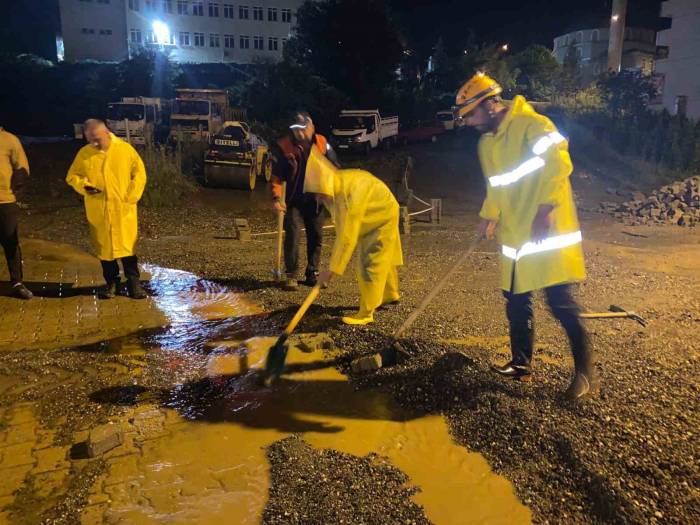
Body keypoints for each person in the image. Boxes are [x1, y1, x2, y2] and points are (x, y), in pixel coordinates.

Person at [455, 73, 595, 401]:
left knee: (560, 303)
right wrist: (488, 216)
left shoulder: (532, 125)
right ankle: (521, 365)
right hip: (516, 233)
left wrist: (545, 209)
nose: (469, 122)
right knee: (516, 298)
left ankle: (586, 375)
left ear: (491, 104)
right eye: (465, 117)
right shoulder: (486, 143)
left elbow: (558, 164)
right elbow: (497, 185)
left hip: (547, 229)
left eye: (471, 114)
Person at [307, 148, 402, 325]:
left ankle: (366, 313)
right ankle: (390, 294)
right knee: (383, 256)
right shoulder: (338, 185)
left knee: (369, 263)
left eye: (318, 192)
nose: (317, 197)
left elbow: (346, 238)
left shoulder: (348, 193)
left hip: (380, 214)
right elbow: (345, 230)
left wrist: (329, 272)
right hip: (379, 210)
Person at [66, 119, 147, 300]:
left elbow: (139, 173)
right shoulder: (85, 154)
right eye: (89, 139)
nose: (93, 143)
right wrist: (84, 186)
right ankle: (111, 283)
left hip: (122, 209)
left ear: (106, 132)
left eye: (96, 139)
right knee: (105, 251)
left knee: (128, 249)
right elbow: (72, 176)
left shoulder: (125, 150)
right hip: (99, 210)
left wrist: (132, 195)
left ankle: (134, 284)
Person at [270, 111, 340, 291]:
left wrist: (334, 192)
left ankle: (312, 272)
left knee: (316, 235)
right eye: (295, 130)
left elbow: (335, 169)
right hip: (293, 199)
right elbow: (277, 176)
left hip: (316, 198)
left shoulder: (322, 144)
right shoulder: (285, 147)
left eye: (302, 129)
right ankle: (291, 274)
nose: (299, 134)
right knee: (292, 233)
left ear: (311, 127)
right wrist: (277, 198)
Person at [0, 126, 32, 299]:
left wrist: (17, 186)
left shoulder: (9, 140)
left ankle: (17, 282)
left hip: (5, 201)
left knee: (10, 242)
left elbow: (22, 166)